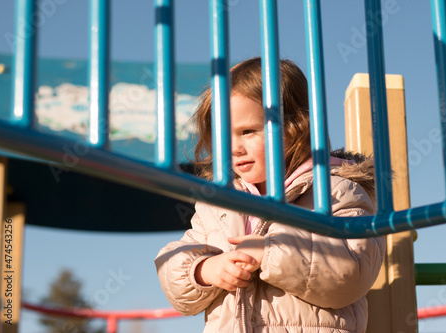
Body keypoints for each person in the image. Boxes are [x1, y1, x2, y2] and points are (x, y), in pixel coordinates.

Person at [155, 57, 386, 333]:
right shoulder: (218, 205)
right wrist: (205, 270)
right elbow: (174, 264)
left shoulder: (335, 191)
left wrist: (271, 254)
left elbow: (353, 272)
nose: (234, 148)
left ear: (293, 127)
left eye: (248, 132)